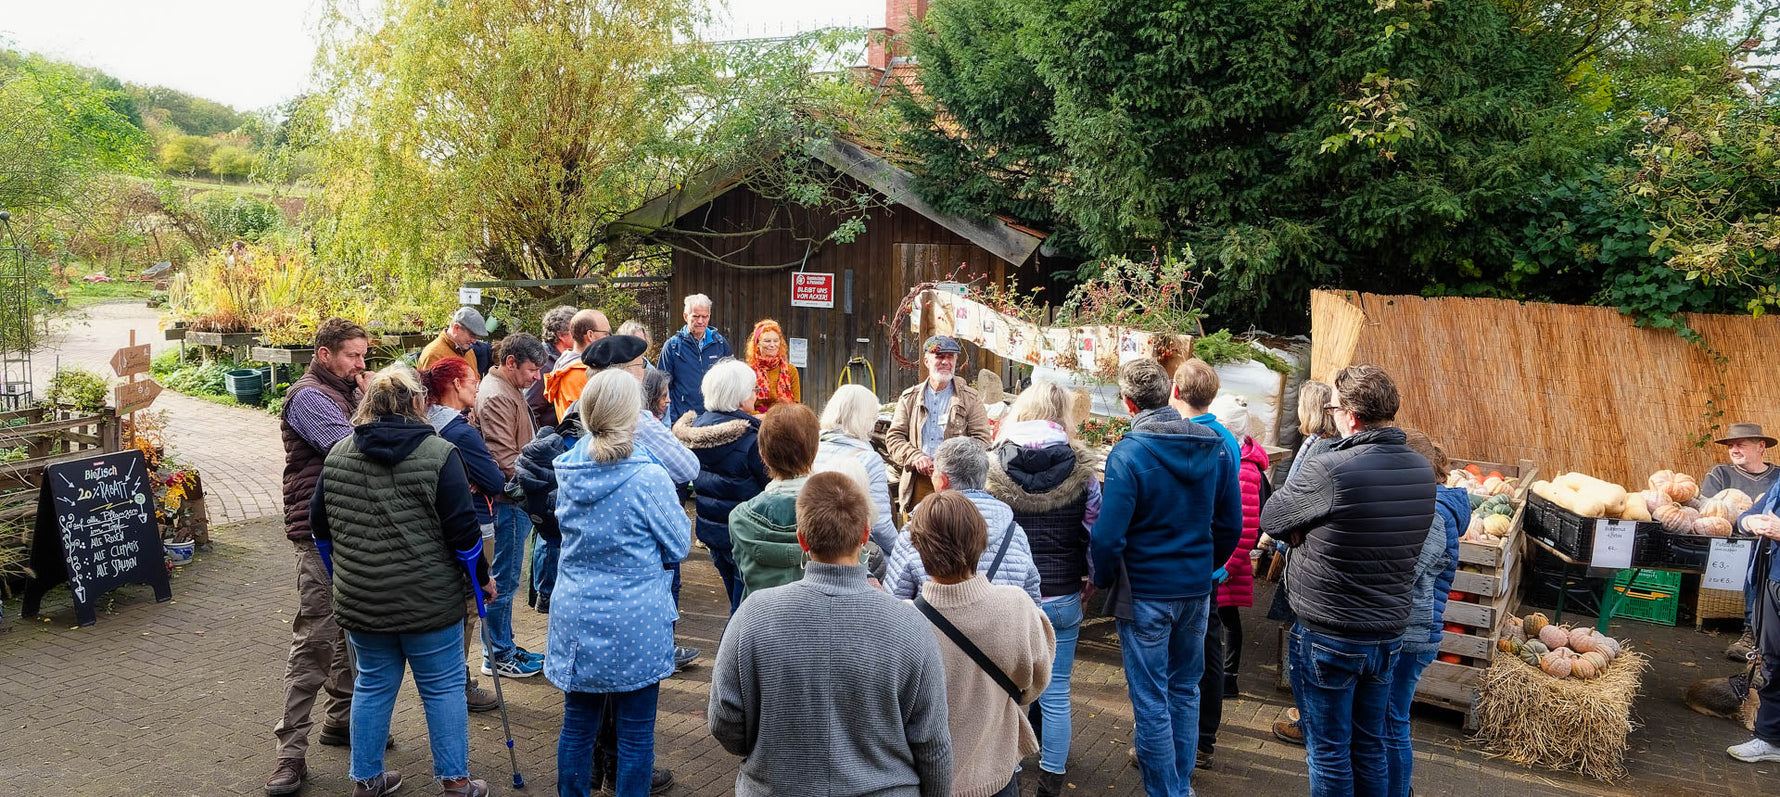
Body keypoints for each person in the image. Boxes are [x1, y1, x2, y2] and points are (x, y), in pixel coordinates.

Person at [309, 364, 494, 797]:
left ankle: (367, 780)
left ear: (368, 406)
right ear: (417, 403)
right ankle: (456, 782)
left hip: (361, 601)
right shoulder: (440, 453)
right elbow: (464, 534)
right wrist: (482, 580)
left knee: (371, 686)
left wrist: (343, 576)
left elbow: (320, 530)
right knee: (444, 689)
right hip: (429, 602)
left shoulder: (338, 454)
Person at [709, 472, 954, 796]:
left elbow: (724, 719)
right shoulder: (910, 626)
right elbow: (933, 745)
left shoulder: (754, 615)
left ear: (802, 539)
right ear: (865, 534)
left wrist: (769, 750)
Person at [1259, 364, 1435, 797]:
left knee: (1330, 752)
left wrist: (1306, 529)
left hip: (1329, 633)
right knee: (1370, 746)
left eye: (1333, 407)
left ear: (1351, 416)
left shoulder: (1332, 469)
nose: (1330, 414)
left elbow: (1273, 517)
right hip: (1386, 634)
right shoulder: (1421, 469)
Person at [1089, 357, 1241, 797]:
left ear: (1128, 403)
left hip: (1148, 594)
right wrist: (1204, 565)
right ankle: (1179, 787)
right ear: (1172, 393)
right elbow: (1232, 523)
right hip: (1195, 588)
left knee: (1153, 700)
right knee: (1184, 690)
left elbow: (1108, 536)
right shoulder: (1212, 444)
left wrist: (1100, 581)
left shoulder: (1129, 452)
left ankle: (1169, 791)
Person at [548, 370, 690, 797]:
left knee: (577, 726)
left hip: (577, 612)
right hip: (637, 619)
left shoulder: (569, 469)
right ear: (634, 415)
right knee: (635, 734)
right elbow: (680, 543)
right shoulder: (648, 476)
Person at [267, 318, 369, 797]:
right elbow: (349, 449)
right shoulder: (308, 396)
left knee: (352, 628)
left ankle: (343, 720)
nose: (361, 364)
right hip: (316, 533)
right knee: (316, 637)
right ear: (325, 354)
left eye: (363, 356)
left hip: (351, 530)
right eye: (353, 355)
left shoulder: (346, 391)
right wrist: (377, 406)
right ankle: (290, 753)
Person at [983, 381, 1099, 796]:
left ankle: (1007, 771)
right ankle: (1051, 780)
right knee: (1057, 693)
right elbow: (1093, 533)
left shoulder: (992, 464)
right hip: (1063, 593)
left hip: (1007, 600)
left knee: (1006, 690)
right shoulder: (1084, 470)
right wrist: (1089, 581)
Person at [906, 490, 1055, 797]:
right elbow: (1035, 685)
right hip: (997, 778)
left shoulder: (902, 624)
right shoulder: (1018, 606)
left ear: (918, 547)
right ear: (981, 540)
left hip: (927, 784)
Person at [585, 334, 702, 670]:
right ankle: (665, 647)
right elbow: (687, 468)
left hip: (584, 600)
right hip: (637, 576)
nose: (645, 371)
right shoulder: (640, 428)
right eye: (639, 366)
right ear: (623, 374)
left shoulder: (577, 444)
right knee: (637, 705)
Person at [419, 358, 504, 714]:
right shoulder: (461, 432)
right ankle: (459, 683)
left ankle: (449, 678)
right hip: (473, 524)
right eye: (473, 381)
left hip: (433, 527)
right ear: (455, 384)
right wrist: (485, 474)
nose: (478, 386)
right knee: (471, 604)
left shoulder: (424, 424)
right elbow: (496, 480)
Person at [1386, 430, 1466, 797]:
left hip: (1412, 634)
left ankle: (1399, 791)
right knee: (1389, 719)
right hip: (1412, 630)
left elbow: (1407, 570)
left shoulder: (1433, 513)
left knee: (1392, 721)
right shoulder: (1429, 504)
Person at [471, 333, 549, 678]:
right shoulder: (497, 395)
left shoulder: (508, 388)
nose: (537, 377)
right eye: (532, 369)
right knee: (503, 581)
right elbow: (503, 456)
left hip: (515, 499)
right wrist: (536, 482)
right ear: (511, 362)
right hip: (508, 502)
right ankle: (498, 654)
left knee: (506, 579)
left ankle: (504, 646)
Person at [886, 437, 1042, 603]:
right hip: (1001, 627)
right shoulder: (1014, 532)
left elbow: (893, 603)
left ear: (943, 480)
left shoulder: (915, 532)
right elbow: (1032, 599)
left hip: (932, 627)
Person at [674, 359, 769, 612]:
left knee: (735, 603)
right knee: (742, 613)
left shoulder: (695, 430)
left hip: (713, 533)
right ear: (738, 397)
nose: (757, 393)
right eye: (753, 389)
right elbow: (769, 485)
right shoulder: (752, 440)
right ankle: (731, 652)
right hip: (745, 537)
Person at [886, 335, 993, 519]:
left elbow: (983, 441)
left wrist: (953, 463)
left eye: (950, 356)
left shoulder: (970, 398)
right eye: (939, 356)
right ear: (927, 360)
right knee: (915, 535)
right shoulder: (909, 398)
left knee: (953, 534)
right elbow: (894, 437)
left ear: (956, 360)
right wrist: (915, 456)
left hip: (958, 484)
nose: (945, 361)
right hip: (919, 483)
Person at [728, 403, 821, 598]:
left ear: (762, 455)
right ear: (815, 450)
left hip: (760, 619)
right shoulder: (834, 513)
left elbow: (743, 571)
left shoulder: (739, 518)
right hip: (816, 620)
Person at [1705, 423, 1779, 661]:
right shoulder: (1720, 473)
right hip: (1729, 542)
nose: (1734, 449)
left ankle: (1755, 633)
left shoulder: (1777, 477)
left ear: (1761, 446)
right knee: (1751, 553)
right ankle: (1752, 630)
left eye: (1740, 444)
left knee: (1758, 554)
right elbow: (1709, 511)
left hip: (1768, 548)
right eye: (1731, 445)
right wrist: (1750, 524)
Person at [813, 383, 899, 553]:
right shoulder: (869, 459)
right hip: (851, 551)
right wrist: (901, 551)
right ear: (865, 419)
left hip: (813, 545)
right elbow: (880, 525)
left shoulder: (812, 449)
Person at [1729, 487, 1780, 763]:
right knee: (1772, 663)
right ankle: (1770, 740)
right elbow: (1746, 516)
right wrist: (1751, 522)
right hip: (1772, 580)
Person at [660, 294, 732, 421]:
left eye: (705, 316)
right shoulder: (672, 347)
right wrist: (673, 420)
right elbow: (663, 388)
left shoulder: (720, 344)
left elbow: (731, 382)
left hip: (715, 418)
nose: (700, 321)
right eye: (696, 316)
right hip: (685, 420)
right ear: (685, 316)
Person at [544, 309, 613, 423]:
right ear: (590, 335)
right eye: (606, 334)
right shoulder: (577, 373)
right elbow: (592, 422)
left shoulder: (568, 365)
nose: (609, 339)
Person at [529, 305, 580, 429]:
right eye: (576, 332)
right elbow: (530, 409)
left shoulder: (565, 359)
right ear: (561, 335)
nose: (581, 336)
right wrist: (542, 440)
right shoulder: (544, 364)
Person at [745, 319, 801, 414]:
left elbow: (797, 403)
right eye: (767, 341)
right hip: (756, 419)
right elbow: (743, 404)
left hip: (784, 417)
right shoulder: (748, 371)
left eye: (776, 341)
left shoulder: (791, 370)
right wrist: (760, 417)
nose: (772, 345)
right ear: (757, 344)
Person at [1288, 380, 1340, 479]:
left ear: (1308, 412)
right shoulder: (1335, 438)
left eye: (1301, 405)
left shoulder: (1321, 446)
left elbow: (1298, 487)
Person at [418, 306, 489, 373]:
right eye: (472, 335)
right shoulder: (433, 355)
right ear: (456, 328)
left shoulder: (468, 351)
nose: (474, 341)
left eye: (476, 337)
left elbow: (475, 381)